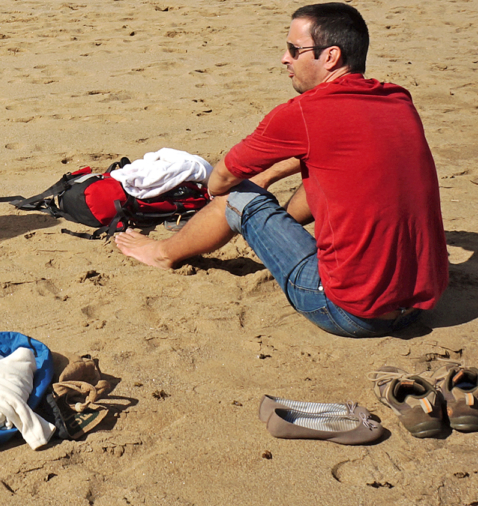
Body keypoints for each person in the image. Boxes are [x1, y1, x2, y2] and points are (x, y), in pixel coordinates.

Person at [114, 2, 448, 337]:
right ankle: (274, 225)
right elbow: (333, 159)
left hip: (348, 312)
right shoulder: (396, 99)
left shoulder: (305, 113)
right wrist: (278, 174)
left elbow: (220, 181)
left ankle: (161, 253)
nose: (284, 58)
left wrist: (260, 181)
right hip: (419, 306)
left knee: (238, 197)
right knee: (322, 173)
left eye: (294, 49)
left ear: (330, 56)